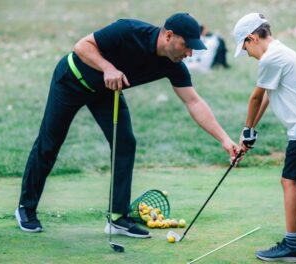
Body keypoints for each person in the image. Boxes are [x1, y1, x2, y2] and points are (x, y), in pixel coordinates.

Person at [15, 13, 240, 239]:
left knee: (125, 143)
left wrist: (224, 139)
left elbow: (194, 102)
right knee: (50, 142)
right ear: (169, 35)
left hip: (106, 92)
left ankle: (117, 218)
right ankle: (26, 208)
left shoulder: (173, 64)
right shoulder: (128, 30)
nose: (189, 53)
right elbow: (82, 46)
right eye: (186, 46)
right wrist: (107, 68)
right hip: (71, 80)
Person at [234, 13, 296, 262]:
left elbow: (255, 98)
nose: (247, 54)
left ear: (252, 37)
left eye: (245, 48)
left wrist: (246, 130)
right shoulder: (282, 52)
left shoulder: (270, 59)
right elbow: (269, 93)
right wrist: (251, 131)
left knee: (288, 181)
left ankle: (292, 245)